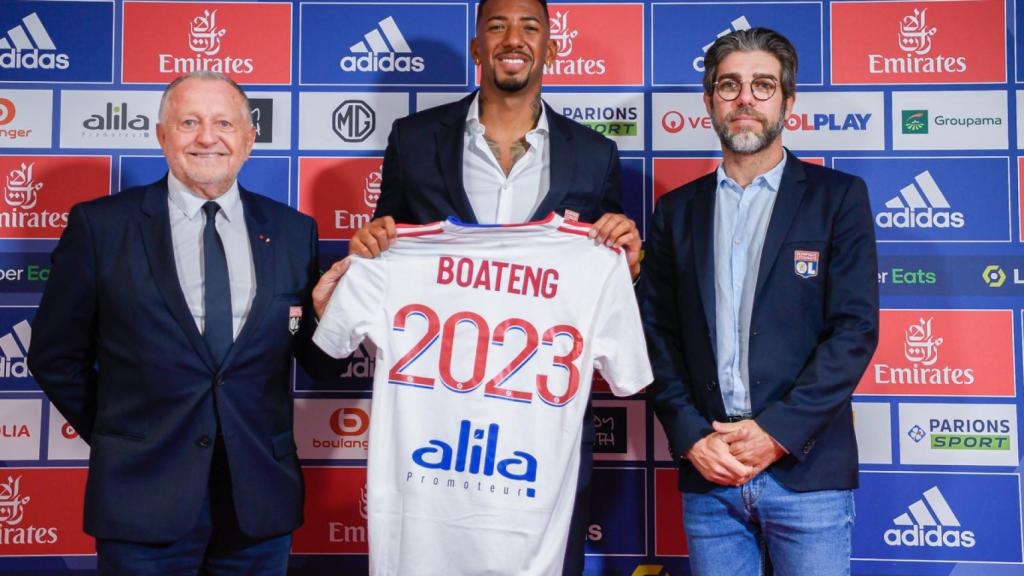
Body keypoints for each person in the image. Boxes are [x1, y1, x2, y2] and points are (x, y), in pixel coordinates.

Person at [316, 0, 641, 573]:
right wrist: (370, 250)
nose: (512, 39)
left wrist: (627, 265)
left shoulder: (595, 155)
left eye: (529, 28)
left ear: (551, 49)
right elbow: (388, 245)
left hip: (540, 437)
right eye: (496, 26)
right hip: (433, 433)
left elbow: (601, 283)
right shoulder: (414, 140)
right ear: (476, 48)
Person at [28, 71, 347, 575]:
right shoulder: (101, 226)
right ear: (162, 135)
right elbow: (53, 355)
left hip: (257, 503)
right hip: (141, 499)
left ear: (248, 139)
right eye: (189, 122)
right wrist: (123, 437)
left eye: (224, 123)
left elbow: (317, 362)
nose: (207, 137)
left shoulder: (293, 231)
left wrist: (329, 319)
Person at [639, 28, 879, 576]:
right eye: (729, 85)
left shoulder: (838, 199)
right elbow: (655, 335)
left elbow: (854, 330)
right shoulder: (676, 211)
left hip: (807, 470)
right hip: (711, 471)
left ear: (787, 102)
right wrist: (691, 437)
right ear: (709, 103)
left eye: (762, 85)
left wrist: (776, 434)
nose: (745, 98)